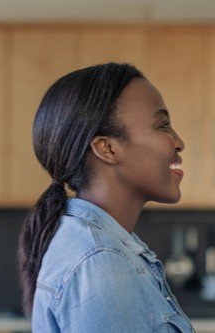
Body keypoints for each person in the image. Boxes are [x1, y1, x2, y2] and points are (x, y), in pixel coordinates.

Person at [18, 63, 194, 333]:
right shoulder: (101, 262)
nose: (178, 141)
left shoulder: (99, 247)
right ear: (107, 148)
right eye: (163, 125)